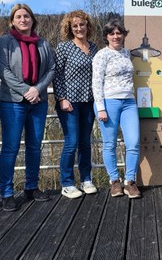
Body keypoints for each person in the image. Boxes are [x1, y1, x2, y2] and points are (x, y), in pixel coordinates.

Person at [0, 4, 55, 211]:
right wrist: (26, 91)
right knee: (10, 148)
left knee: (34, 146)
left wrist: (37, 90)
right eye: (18, 16)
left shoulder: (43, 43)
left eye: (26, 16)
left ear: (32, 19)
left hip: (38, 102)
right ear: (12, 20)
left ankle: (31, 186)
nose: (23, 20)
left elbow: (51, 69)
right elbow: (4, 71)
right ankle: (7, 192)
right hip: (12, 102)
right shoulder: (5, 42)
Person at [92, 19, 141, 199]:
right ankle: (114, 181)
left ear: (123, 35)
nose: (116, 36)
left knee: (133, 142)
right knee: (109, 144)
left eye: (119, 33)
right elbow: (96, 83)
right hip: (109, 102)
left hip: (129, 102)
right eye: (112, 33)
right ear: (106, 36)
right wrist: (101, 108)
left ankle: (130, 182)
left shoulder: (127, 53)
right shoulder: (101, 55)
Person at [54, 11, 98, 199]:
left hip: (89, 101)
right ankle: (67, 183)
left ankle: (86, 179)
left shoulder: (95, 48)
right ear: (70, 29)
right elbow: (56, 75)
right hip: (69, 103)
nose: (79, 28)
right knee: (71, 143)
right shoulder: (64, 47)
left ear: (88, 26)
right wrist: (61, 98)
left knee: (85, 142)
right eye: (75, 26)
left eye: (82, 25)